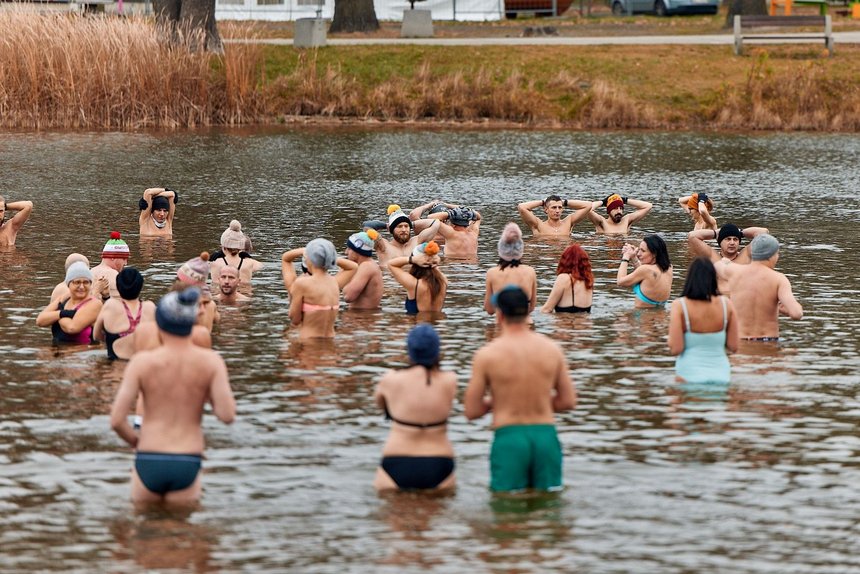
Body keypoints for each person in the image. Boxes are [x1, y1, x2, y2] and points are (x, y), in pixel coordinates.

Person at [109, 287, 236, 504]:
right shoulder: (211, 362)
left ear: (160, 324)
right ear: (191, 324)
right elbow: (226, 415)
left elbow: (117, 421)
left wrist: (136, 442)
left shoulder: (142, 363)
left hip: (149, 455)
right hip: (187, 457)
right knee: (182, 533)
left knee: (142, 531)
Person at [464, 286, 576, 493]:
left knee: (506, 510)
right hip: (545, 436)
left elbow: (472, 411)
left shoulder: (487, 355)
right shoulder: (552, 349)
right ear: (527, 312)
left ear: (500, 314)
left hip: (510, 437)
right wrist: (539, 398)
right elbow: (567, 401)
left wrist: (500, 401)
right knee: (549, 508)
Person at [373, 324, 457, 491]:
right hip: (439, 460)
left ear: (410, 350)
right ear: (436, 351)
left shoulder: (390, 379)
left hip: (397, 458)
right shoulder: (450, 380)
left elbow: (381, 405)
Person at [668, 257, 739, 383]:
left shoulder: (680, 306)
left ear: (690, 278)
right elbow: (733, 347)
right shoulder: (726, 304)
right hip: (721, 376)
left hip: (688, 375)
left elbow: (675, 349)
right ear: (713, 278)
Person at [725, 234, 803, 340]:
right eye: (777, 254)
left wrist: (725, 262)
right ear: (771, 255)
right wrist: (789, 309)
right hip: (767, 342)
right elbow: (796, 314)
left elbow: (717, 266)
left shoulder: (733, 272)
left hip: (739, 342)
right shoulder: (778, 279)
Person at [687, 223, 770, 295]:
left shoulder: (746, 255)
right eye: (728, 239)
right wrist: (716, 233)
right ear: (720, 242)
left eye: (735, 239)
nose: (732, 243)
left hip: (741, 300)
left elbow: (763, 233)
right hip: (718, 301)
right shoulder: (712, 256)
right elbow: (692, 236)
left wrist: (740, 232)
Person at [93, 267, 156, 360]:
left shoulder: (110, 306)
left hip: (114, 367)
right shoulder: (150, 307)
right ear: (140, 286)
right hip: (143, 365)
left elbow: (96, 336)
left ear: (118, 287)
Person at [288, 238, 343, 339]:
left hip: (309, 342)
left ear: (310, 259)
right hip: (331, 343)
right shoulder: (333, 282)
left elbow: (295, 319)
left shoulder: (302, 283)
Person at [36, 261, 103, 345]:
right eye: (77, 282)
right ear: (69, 284)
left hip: (83, 354)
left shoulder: (95, 304)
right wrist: (64, 313)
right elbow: (40, 321)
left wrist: (56, 315)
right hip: (60, 353)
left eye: (86, 282)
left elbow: (72, 328)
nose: (82, 287)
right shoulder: (63, 299)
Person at [484, 223, 537, 315]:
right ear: (521, 248)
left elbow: (490, 310)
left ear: (500, 248)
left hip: (502, 323)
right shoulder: (530, 271)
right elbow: (532, 307)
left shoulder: (492, 273)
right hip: (525, 324)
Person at [388, 241, 447, 315]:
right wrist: (434, 260)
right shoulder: (443, 280)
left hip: (416, 325)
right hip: (436, 326)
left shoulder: (414, 284)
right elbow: (434, 268)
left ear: (415, 263)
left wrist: (411, 260)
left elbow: (391, 264)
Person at [616, 234, 673, 309]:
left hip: (641, 317)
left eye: (643, 251)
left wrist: (626, 257)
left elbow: (620, 281)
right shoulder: (669, 268)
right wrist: (633, 257)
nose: (638, 254)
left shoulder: (646, 270)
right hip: (660, 316)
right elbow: (645, 275)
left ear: (654, 254)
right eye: (639, 250)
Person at [374, 205, 440, 267]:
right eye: (399, 226)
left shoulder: (416, 241)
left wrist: (411, 224)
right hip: (390, 278)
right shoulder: (383, 245)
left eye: (406, 226)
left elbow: (436, 223)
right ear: (391, 230)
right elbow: (367, 227)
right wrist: (386, 226)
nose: (404, 230)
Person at [541, 243, 594, 314]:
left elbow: (546, 309)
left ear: (565, 261)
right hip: (585, 324)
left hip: (566, 323)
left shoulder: (564, 278)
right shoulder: (588, 281)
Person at [209, 220, 262, 290]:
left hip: (221, 297)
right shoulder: (250, 264)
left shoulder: (214, 264)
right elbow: (261, 266)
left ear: (223, 246)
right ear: (240, 247)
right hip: (243, 297)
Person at [175, 252, 219, 330]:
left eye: (178, 279)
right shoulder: (211, 304)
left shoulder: (182, 303)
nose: (176, 282)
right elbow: (217, 318)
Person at [342, 229, 383, 310]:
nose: (345, 252)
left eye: (349, 249)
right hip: (364, 317)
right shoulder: (369, 265)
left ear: (357, 251)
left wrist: (344, 274)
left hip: (362, 319)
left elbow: (348, 297)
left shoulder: (366, 267)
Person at [517, 195, 593, 237]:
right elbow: (521, 207)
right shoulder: (538, 225)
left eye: (559, 207)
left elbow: (588, 205)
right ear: (546, 210)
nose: (557, 211)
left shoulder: (568, 222)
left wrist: (564, 202)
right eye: (553, 207)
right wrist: (543, 202)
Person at [587, 194, 652, 235]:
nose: (619, 211)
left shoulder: (626, 221)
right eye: (615, 208)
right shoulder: (601, 222)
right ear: (609, 211)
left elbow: (648, 206)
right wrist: (603, 202)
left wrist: (625, 200)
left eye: (621, 208)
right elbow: (587, 208)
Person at [91, 231, 130, 301]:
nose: (125, 263)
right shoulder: (114, 275)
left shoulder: (90, 271)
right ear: (112, 257)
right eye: (124, 258)